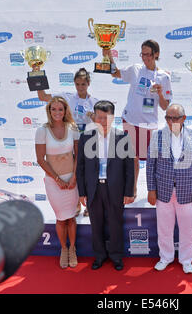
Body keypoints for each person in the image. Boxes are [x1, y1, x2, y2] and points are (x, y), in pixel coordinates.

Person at [102, 39, 172, 197]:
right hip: (131, 120)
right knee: (132, 158)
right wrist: (108, 56)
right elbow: (116, 73)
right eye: (143, 54)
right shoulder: (135, 69)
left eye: (148, 54)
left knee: (151, 161)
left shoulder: (164, 77)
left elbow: (165, 106)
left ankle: (152, 191)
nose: (145, 58)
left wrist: (160, 93)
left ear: (156, 54)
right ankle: (131, 190)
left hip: (148, 124)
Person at [146, 104, 192, 274]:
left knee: (188, 229)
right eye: (168, 118)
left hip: (188, 192)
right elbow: (150, 165)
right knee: (164, 229)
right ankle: (165, 257)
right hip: (163, 192)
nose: (171, 121)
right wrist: (151, 189)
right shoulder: (157, 136)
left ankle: (186, 260)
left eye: (175, 118)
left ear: (184, 118)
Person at [76, 100, 135, 271]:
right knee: (96, 224)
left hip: (115, 188)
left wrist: (128, 191)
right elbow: (80, 167)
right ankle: (99, 255)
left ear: (112, 117)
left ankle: (116, 256)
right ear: (94, 117)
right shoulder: (86, 137)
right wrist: (82, 192)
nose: (102, 121)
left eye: (105, 117)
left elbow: (129, 168)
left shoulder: (123, 137)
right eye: (99, 117)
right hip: (94, 189)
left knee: (116, 224)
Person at [37, 67, 98, 217]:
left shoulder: (95, 102)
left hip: (89, 142)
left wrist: (94, 117)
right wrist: (36, 73)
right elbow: (42, 96)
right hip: (71, 142)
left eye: (83, 84)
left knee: (89, 175)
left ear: (88, 84)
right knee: (74, 172)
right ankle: (76, 204)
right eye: (77, 84)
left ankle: (89, 205)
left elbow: (103, 123)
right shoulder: (67, 97)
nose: (80, 87)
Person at [35, 96, 80, 269]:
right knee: (61, 218)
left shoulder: (73, 128)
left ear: (65, 110)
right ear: (49, 111)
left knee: (71, 218)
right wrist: (57, 179)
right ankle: (63, 249)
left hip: (72, 180)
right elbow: (40, 159)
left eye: (60, 109)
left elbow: (77, 155)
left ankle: (73, 249)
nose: (57, 112)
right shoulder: (42, 131)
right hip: (54, 182)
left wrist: (74, 177)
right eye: (53, 109)